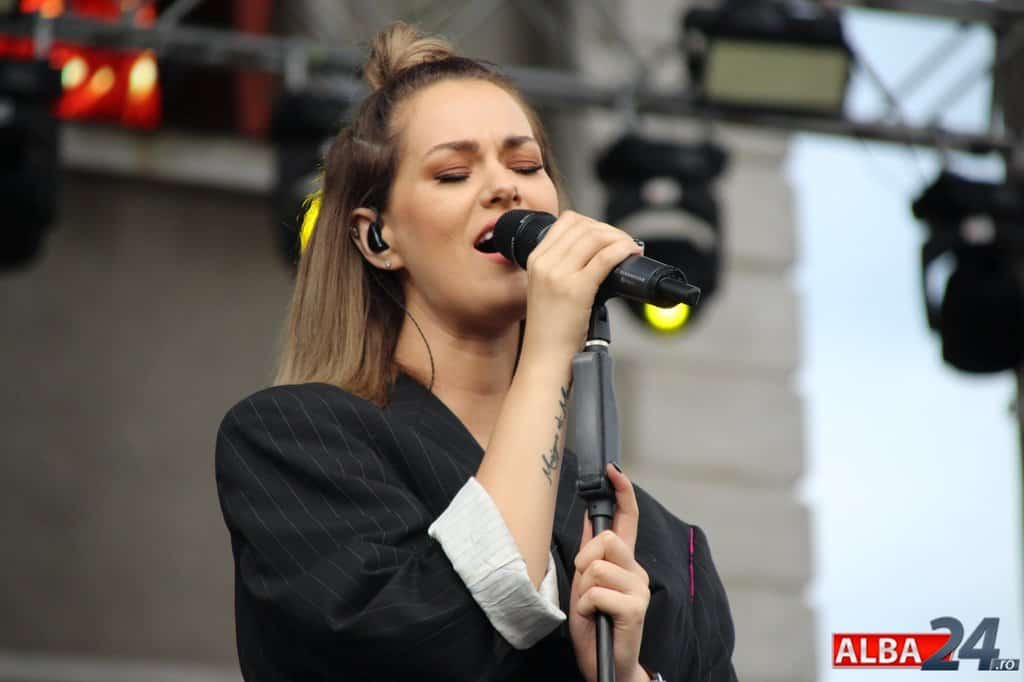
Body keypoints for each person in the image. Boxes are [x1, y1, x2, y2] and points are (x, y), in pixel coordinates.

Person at [215, 21, 738, 682]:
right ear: (378, 238)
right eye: (454, 173)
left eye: (526, 166)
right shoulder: (296, 443)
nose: (504, 188)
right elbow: (420, 646)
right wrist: (549, 350)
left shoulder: (667, 549)